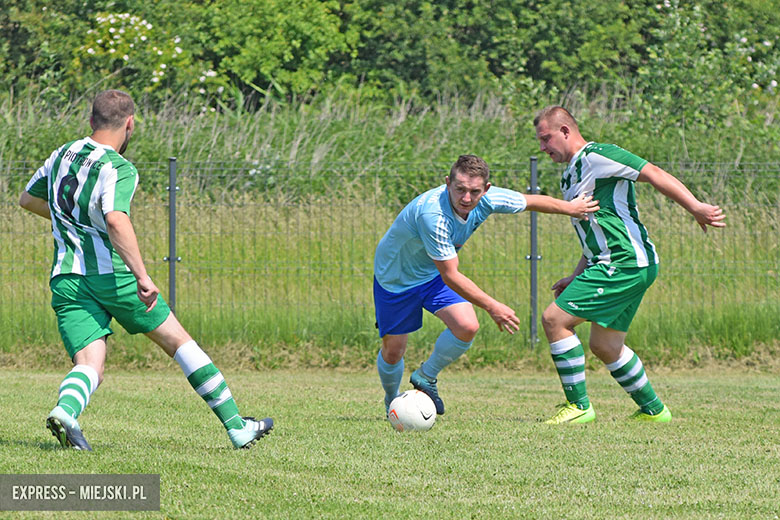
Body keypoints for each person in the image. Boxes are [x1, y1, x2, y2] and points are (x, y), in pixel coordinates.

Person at [20, 89, 273, 450]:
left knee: (90, 362)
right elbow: (116, 220)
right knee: (179, 342)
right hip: (112, 276)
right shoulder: (118, 167)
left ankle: (65, 411)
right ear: (130, 123)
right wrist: (142, 275)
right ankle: (237, 427)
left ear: (91, 121)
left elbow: (28, 199)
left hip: (66, 278)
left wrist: (71, 224)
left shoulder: (62, 154)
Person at [533, 105, 725, 424]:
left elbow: (654, 173)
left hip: (624, 262)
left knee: (554, 320)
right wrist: (577, 274)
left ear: (565, 131)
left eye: (545, 138)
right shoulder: (571, 174)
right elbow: (597, 230)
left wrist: (695, 206)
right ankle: (654, 411)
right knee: (605, 345)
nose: (542, 148)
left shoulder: (599, 155)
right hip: (623, 263)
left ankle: (579, 406)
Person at [374, 154, 600, 417]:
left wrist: (570, 208)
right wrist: (493, 306)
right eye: (459, 189)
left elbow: (530, 201)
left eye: (474, 191)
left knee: (467, 326)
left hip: (431, 274)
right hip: (396, 278)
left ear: (487, 189)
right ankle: (393, 401)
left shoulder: (489, 199)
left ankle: (426, 376)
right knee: (393, 351)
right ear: (447, 183)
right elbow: (451, 275)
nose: (466, 198)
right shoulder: (432, 215)